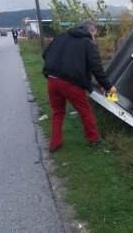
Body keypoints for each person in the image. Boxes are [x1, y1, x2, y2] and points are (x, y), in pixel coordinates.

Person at [42, 20, 116, 153]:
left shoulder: (61, 36)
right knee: (85, 111)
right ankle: (94, 139)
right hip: (71, 83)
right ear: (89, 30)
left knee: (58, 113)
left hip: (52, 80)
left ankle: (54, 143)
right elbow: (97, 69)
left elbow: (45, 55)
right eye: (94, 34)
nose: (94, 37)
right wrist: (108, 86)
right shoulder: (88, 44)